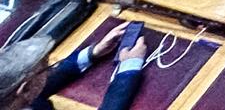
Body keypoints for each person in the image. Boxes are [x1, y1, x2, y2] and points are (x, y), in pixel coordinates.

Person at [0, 23, 148, 110]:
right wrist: (128, 69)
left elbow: (43, 85)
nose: (51, 70)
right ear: (24, 88)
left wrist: (93, 53)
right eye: (47, 68)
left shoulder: (11, 96)